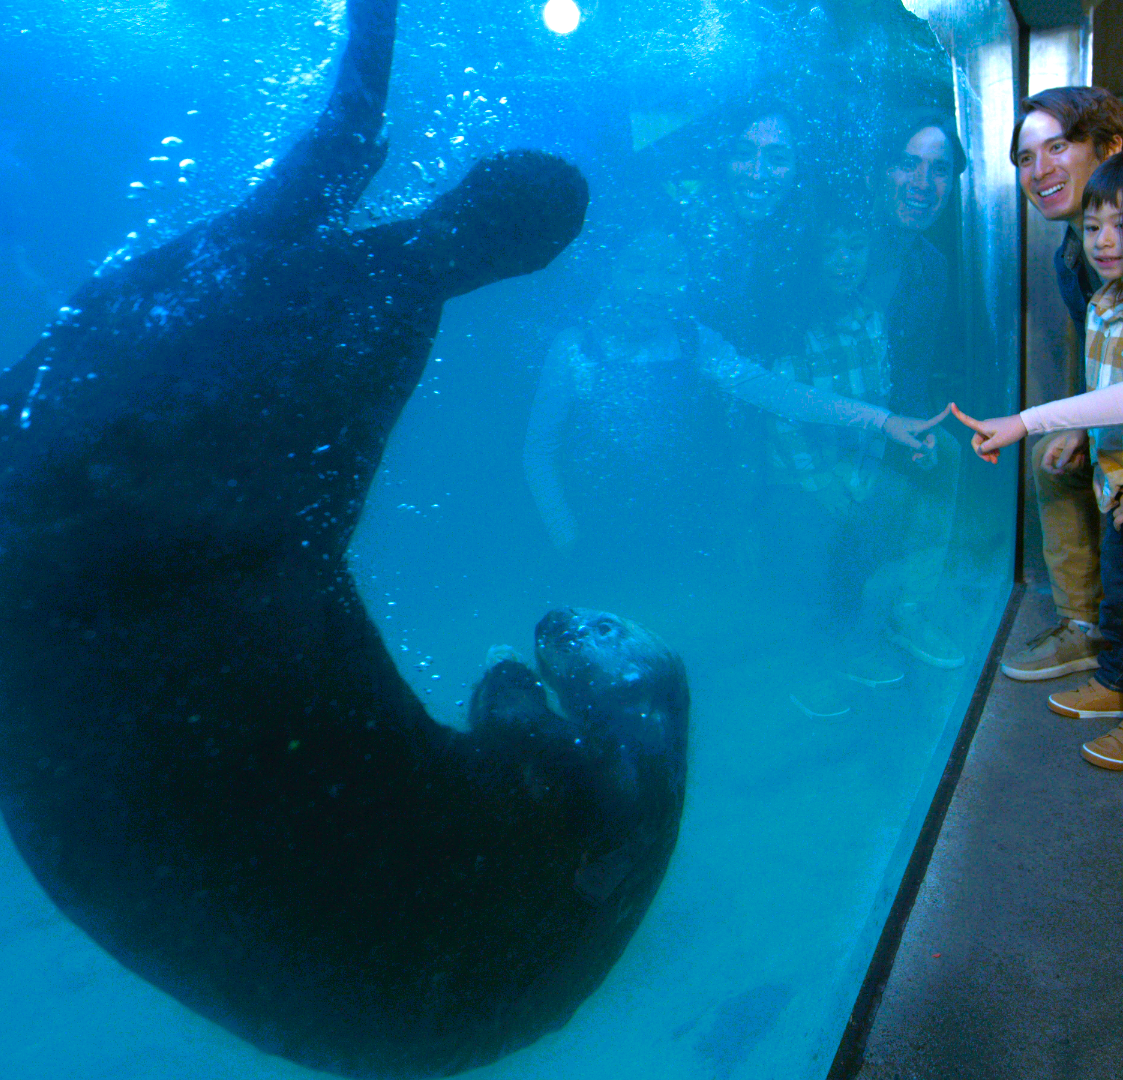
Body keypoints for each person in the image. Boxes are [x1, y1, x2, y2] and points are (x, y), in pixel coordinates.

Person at [523, 230, 948, 678]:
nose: (654, 285)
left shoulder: (693, 341)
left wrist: (881, 420)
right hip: (602, 533)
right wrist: (565, 533)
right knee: (607, 659)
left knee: (674, 652)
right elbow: (539, 451)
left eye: (671, 271)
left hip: (684, 529)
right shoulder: (575, 350)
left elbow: (782, 394)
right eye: (638, 269)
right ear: (611, 271)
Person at [952, 151, 1123, 771]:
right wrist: (1083, 431)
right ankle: (1114, 679)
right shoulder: (1104, 299)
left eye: (1122, 227)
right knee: (1121, 592)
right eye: (1096, 224)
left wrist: (1029, 421)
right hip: (1116, 486)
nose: (1103, 241)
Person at [760, 201, 962, 717]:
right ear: (811, 255)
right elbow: (782, 414)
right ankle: (814, 666)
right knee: (822, 564)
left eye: (855, 247)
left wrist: (905, 447)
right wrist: (817, 480)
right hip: (808, 480)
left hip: (862, 466)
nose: (844, 260)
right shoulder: (792, 327)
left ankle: (876, 630)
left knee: (931, 473)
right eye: (831, 248)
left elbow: (881, 400)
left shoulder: (871, 317)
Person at [1002, 87, 1123, 682]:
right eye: (1026, 157)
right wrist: (1077, 424)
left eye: (1058, 146)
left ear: (1110, 149)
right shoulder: (1072, 253)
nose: (1040, 169)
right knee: (1053, 458)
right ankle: (1084, 629)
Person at [866, 108, 966, 418]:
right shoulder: (841, 252)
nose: (922, 183)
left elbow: (913, 377)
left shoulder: (933, 267)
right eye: (908, 164)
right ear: (876, 174)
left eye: (939, 170)